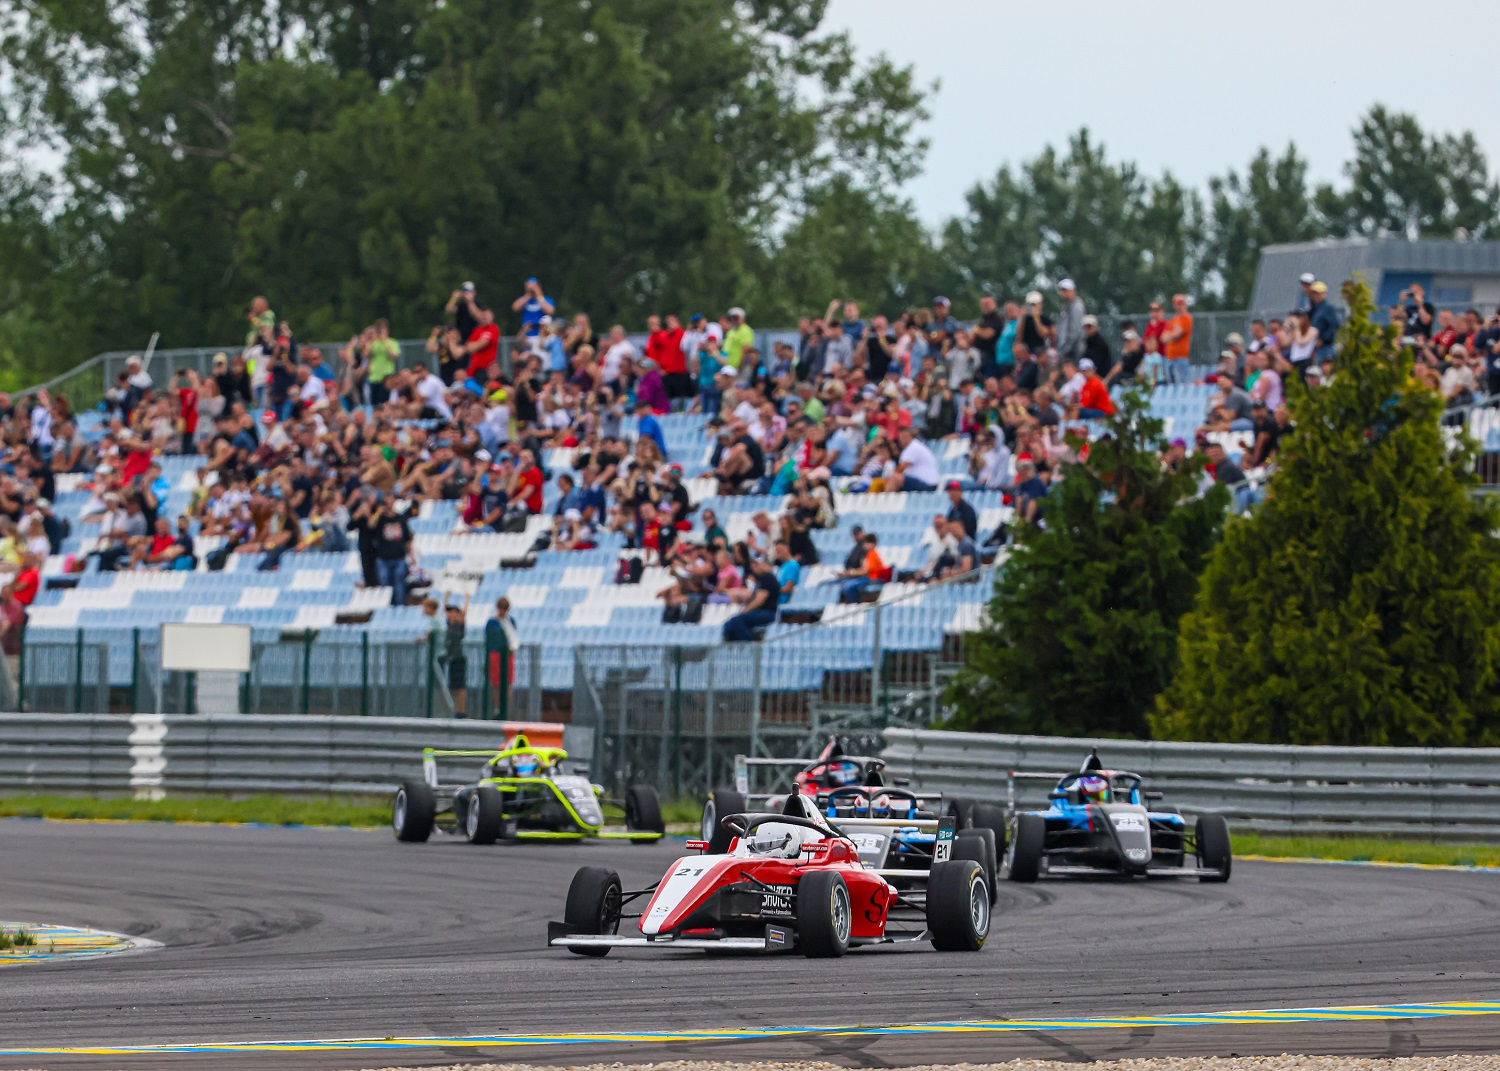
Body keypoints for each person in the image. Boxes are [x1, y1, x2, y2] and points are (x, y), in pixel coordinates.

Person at [723, 556, 780, 642]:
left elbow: (760, 599)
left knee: (737, 621)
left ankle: (750, 645)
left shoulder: (768, 578)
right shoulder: (760, 580)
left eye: (757, 564)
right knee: (729, 624)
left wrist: (745, 610)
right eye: (753, 564)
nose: (754, 566)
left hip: (767, 612)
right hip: (758, 612)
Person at [485, 596, 519, 704]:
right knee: (496, 683)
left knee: (508, 682)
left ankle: (506, 705)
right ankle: (497, 706)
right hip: (496, 654)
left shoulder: (510, 621)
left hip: (508, 655)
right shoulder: (492, 623)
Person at [441, 595, 470, 717]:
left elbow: (464, 614)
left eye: (454, 612)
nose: (452, 615)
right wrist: (446, 597)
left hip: (458, 657)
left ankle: (461, 710)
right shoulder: (449, 625)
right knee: (453, 687)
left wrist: (467, 598)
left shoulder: (459, 625)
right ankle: (457, 710)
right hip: (451, 658)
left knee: (460, 686)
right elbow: (445, 610)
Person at [889, 426, 939, 493]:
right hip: (919, 482)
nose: (901, 440)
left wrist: (888, 479)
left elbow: (900, 470)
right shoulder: (908, 449)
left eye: (903, 436)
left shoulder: (913, 447)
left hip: (927, 484)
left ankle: (886, 498)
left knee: (895, 478)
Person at [1161, 293, 1194, 383]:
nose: (1179, 306)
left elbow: (1178, 334)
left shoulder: (1187, 318)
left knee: (1181, 385)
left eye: (1181, 303)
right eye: (1177, 304)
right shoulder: (1173, 320)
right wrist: (1173, 333)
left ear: (1185, 304)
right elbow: (1163, 338)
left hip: (1181, 358)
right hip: (1169, 358)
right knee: (1171, 386)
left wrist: (1172, 334)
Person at [1054, 279, 1085, 364]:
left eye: (1066, 290)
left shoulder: (1077, 307)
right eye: (1062, 290)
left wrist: (1066, 349)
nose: (1063, 293)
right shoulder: (1066, 307)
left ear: (1073, 291)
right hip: (1065, 349)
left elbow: (1075, 330)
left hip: (1073, 350)